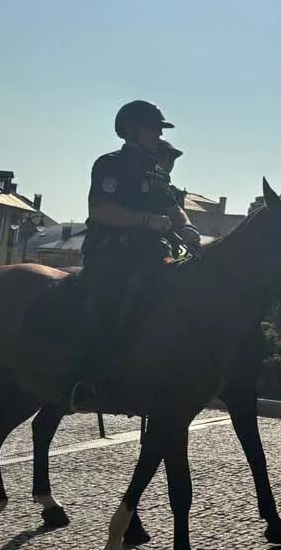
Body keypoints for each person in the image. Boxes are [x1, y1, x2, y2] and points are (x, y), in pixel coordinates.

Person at [73, 100, 195, 408]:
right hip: (114, 253)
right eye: (151, 127)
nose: (157, 134)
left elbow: (172, 206)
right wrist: (145, 221)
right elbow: (99, 209)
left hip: (154, 253)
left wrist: (188, 228)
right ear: (130, 130)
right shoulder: (110, 164)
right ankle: (88, 378)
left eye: (159, 128)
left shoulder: (156, 170)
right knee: (114, 302)